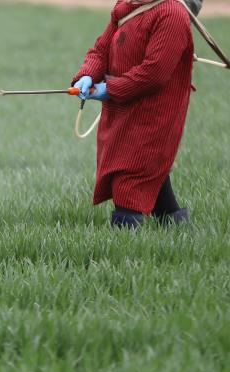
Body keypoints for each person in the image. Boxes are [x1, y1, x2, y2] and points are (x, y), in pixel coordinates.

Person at [72, 0, 203, 228]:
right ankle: (176, 226)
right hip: (122, 107)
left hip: (154, 115)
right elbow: (101, 49)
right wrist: (88, 75)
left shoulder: (171, 14)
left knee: (132, 172)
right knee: (146, 167)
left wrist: (109, 89)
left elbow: (154, 73)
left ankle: (123, 243)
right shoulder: (127, 6)